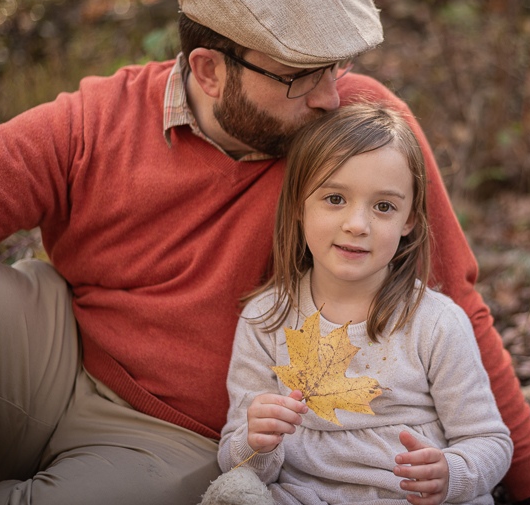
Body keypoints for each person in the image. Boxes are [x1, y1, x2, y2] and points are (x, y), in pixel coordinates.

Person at [0, 0, 530, 505]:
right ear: (209, 71)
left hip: (176, 439)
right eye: (301, 75)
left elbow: (454, 292)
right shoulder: (95, 120)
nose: (331, 96)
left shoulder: (360, 129)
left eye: (334, 66)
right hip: (51, 356)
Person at [211, 103, 512, 505]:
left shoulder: (435, 324)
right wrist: (256, 441)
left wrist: (452, 472)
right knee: (234, 494)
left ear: (408, 221)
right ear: (299, 204)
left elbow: (489, 440)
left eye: (383, 206)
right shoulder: (266, 319)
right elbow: (241, 461)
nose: (357, 223)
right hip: (304, 496)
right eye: (335, 198)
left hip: (408, 499)